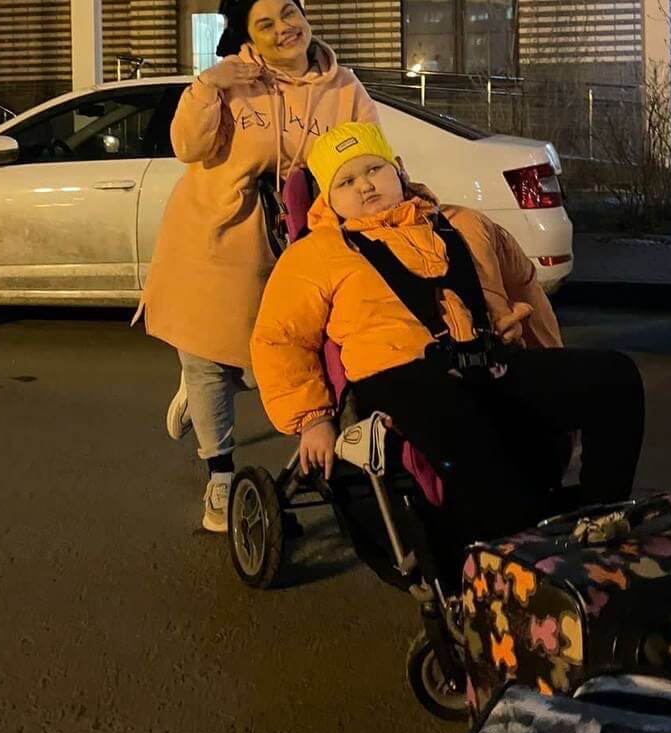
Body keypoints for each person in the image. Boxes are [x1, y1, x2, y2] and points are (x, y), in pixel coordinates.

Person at [250, 121, 645, 575]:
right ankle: (509, 555)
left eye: (373, 169)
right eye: (346, 181)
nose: (364, 186)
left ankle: (597, 520)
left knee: (614, 377)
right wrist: (313, 420)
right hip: (401, 376)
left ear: (398, 169)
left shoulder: (468, 223)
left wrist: (546, 362)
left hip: (491, 358)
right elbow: (279, 338)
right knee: (463, 416)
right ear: (328, 199)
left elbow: (526, 290)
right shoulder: (315, 255)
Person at [140, 0, 378, 533]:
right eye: (265, 24)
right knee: (207, 358)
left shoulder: (345, 89)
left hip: (301, 239)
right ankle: (220, 478)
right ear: (250, 37)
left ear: (305, 15)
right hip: (217, 234)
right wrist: (208, 85)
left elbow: (370, 156)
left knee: (277, 357)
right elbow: (187, 147)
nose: (282, 29)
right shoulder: (234, 81)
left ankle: (220, 388)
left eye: (288, 14)